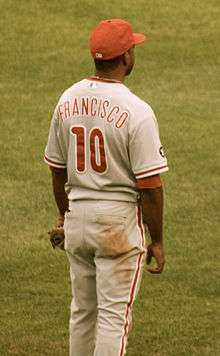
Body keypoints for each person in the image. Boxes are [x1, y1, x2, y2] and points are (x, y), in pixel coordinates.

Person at [44, 18, 168, 356]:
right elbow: (151, 185)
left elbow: (57, 169)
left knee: (82, 312)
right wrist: (157, 239)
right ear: (126, 57)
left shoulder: (67, 99)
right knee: (114, 317)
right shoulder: (137, 110)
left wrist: (64, 215)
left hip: (78, 218)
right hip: (117, 222)